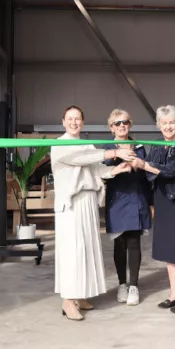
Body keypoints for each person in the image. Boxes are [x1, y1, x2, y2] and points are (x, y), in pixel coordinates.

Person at [50, 105, 134, 321]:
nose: (74, 122)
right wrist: (115, 152)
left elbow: (95, 169)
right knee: (72, 252)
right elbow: (80, 159)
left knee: (86, 250)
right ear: (63, 121)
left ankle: (80, 295)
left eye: (78, 119)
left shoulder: (86, 144)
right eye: (70, 118)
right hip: (71, 205)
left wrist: (115, 169)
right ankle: (68, 301)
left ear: (83, 122)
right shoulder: (59, 145)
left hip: (87, 202)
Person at [130, 105, 175, 314]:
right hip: (163, 200)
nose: (168, 127)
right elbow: (153, 174)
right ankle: (174, 295)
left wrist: (143, 165)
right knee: (170, 251)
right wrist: (138, 165)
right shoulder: (158, 144)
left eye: (172, 122)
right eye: (164, 123)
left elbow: (169, 171)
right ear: (158, 125)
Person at [102, 109, 153, 306]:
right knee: (119, 243)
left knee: (134, 242)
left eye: (125, 122)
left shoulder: (139, 147)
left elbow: (147, 177)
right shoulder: (108, 148)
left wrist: (150, 202)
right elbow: (104, 169)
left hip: (136, 199)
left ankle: (134, 286)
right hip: (117, 201)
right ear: (111, 127)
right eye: (117, 123)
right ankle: (122, 284)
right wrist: (117, 158)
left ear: (130, 124)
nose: (122, 125)